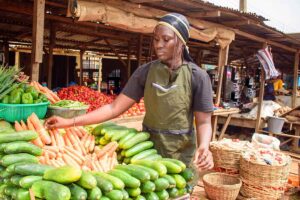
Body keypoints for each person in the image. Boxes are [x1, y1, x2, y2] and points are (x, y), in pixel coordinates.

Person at [45, 13, 214, 170]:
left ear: (181, 42)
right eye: (156, 40)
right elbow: (113, 109)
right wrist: (70, 122)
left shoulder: (198, 76)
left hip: (181, 155)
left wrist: (204, 146)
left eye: (166, 39)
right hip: (147, 151)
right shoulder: (145, 72)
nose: (158, 45)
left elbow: (204, 122)